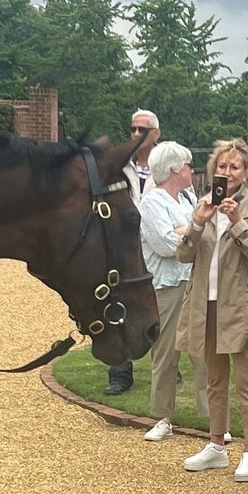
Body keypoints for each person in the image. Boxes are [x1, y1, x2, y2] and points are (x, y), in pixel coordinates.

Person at [174, 139, 248, 483]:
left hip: (241, 304)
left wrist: (237, 221)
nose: (227, 172)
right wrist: (199, 224)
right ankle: (216, 445)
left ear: (247, 172)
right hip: (206, 302)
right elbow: (184, 255)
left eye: (234, 167)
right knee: (214, 379)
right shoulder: (203, 205)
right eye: (222, 166)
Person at [137, 139, 210, 442]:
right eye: (187, 165)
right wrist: (192, 228)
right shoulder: (151, 203)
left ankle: (213, 418)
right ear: (173, 170)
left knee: (204, 351)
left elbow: (199, 237)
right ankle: (162, 417)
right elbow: (168, 244)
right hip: (166, 285)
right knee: (165, 352)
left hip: (194, 281)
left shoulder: (189, 198)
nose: (192, 170)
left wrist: (187, 229)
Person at [105, 110, 162, 395]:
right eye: (133, 129)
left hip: (156, 246)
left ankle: (165, 367)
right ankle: (120, 372)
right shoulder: (117, 167)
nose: (136, 135)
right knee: (119, 304)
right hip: (125, 247)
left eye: (143, 130)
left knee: (160, 303)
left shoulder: (166, 167)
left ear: (156, 134)